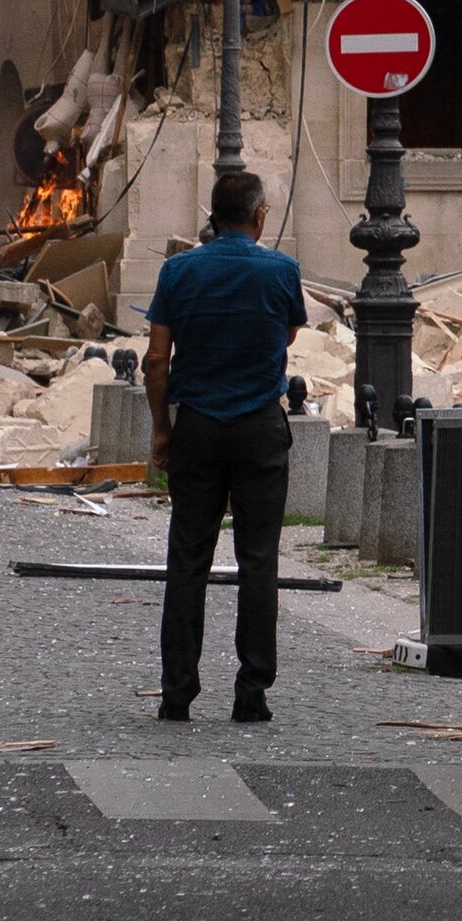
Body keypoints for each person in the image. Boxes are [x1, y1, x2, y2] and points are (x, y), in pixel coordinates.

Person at [140, 166, 301, 722]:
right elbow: (285, 335)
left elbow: (156, 360)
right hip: (259, 424)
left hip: (199, 427)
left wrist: (163, 428)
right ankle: (252, 692)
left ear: (212, 215)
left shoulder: (178, 271)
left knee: (187, 560)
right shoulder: (282, 270)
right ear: (259, 215)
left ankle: (176, 692)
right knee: (259, 560)